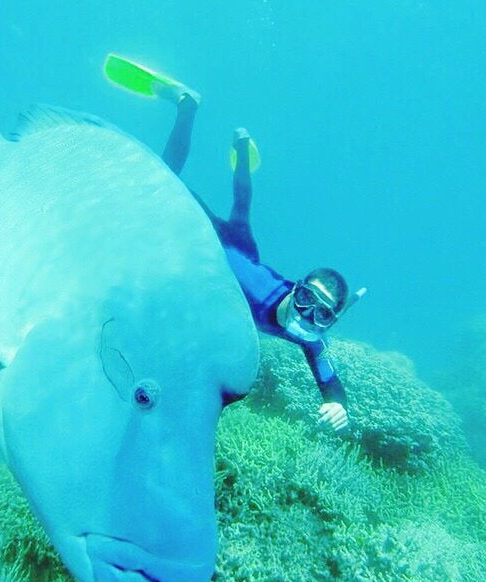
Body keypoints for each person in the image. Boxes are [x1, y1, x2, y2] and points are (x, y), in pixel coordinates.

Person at [104, 54, 367, 432]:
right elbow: (208, 260)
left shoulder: (312, 337)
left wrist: (338, 405)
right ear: (297, 288)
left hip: (246, 250)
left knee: (243, 205)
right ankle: (186, 104)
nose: (305, 317)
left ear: (329, 321)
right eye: (306, 299)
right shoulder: (255, 288)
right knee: (163, 181)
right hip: (228, 249)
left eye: (321, 314)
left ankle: (242, 147)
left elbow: (329, 380)